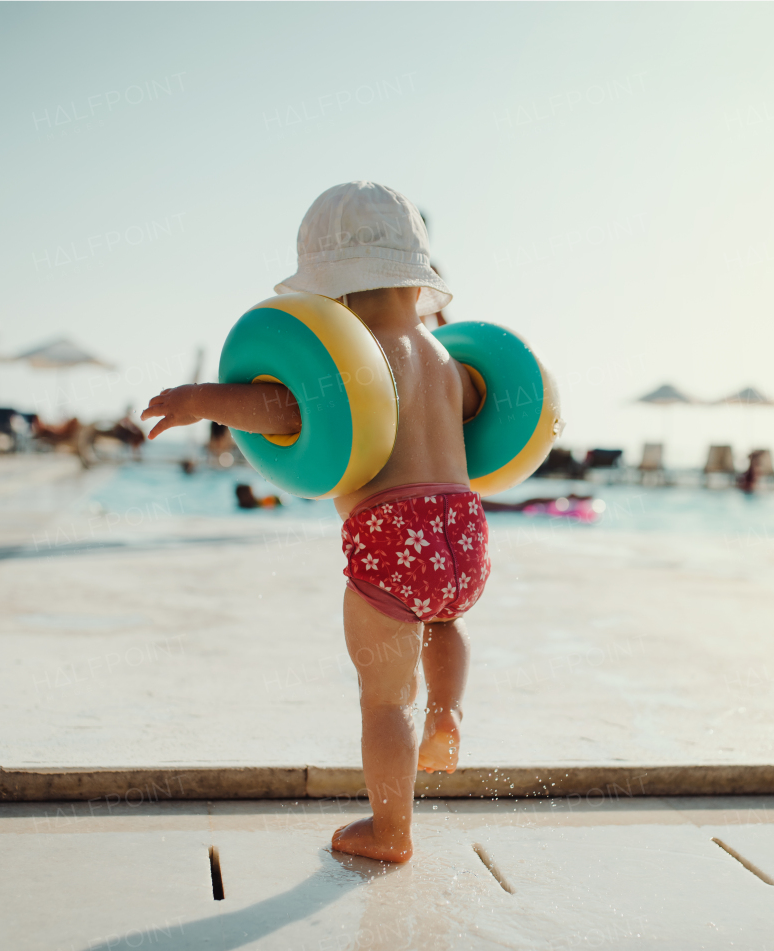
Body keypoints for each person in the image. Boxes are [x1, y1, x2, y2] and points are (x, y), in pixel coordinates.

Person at [141, 182, 483, 864]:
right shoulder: (447, 360)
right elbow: (481, 408)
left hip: (390, 534)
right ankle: (448, 708)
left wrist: (201, 398)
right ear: (417, 279)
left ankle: (391, 832)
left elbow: (283, 410)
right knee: (444, 620)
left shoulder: (357, 360)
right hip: (463, 531)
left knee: (384, 700)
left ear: (333, 293)